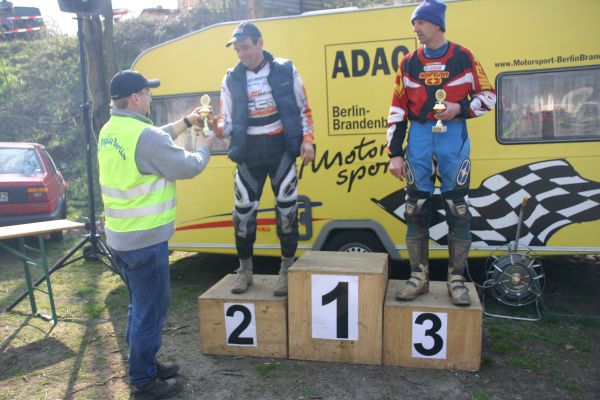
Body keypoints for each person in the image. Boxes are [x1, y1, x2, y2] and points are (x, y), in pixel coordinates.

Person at [98, 70, 215, 399]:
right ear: (136, 98)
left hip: (120, 238)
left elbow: (154, 138)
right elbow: (189, 166)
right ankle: (144, 381)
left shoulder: (111, 129)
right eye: (147, 92)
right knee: (150, 310)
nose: (150, 97)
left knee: (140, 305)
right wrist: (205, 145)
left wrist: (186, 122)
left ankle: (143, 362)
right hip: (145, 242)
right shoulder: (144, 136)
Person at [386, 0, 496, 306]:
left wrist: (459, 107)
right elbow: (397, 110)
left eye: (420, 22)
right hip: (420, 137)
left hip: (453, 137)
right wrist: (395, 153)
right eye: (414, 23)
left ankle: (456, 279)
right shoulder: (408, 62)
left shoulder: (463, 56)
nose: (415, 28)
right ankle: (418, 277)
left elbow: (489, 96)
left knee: (457, 208)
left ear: (437, 24)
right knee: (415, 208)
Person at [215, 21, 315, 296]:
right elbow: (226, 123)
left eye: (246, 47)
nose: (242, 54)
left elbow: (304, 109)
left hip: (280, 150)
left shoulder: (285, 69)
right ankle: (245, 270)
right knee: (243, 215)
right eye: (238, 50)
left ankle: (286, 270)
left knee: (287, 213)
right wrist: (214, 128)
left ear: (260, 43)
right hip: (248, 153)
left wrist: (308, 140)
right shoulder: (231, 78)